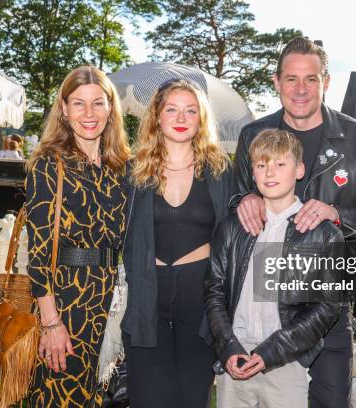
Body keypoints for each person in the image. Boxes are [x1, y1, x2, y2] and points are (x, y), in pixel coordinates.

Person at [233, 36, 356, 407]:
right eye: (291, 79)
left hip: (328, 305)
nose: (301, 89)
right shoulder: (251, 136)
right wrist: (242, 198)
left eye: (311, 79)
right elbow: (235, 205)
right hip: (263, 300)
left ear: (326, 82)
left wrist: (336, 213)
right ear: (276, 83)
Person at [206, 128, 344, 408]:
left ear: (299, 169)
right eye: (261, 165)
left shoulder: (324, 234)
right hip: (236, 356)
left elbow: (327, 306)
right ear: (252, 173)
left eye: (280, 164)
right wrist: (227, 346)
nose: (270, 172)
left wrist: (272, 351)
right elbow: (214, 291)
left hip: (286, 361)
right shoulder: (232, 228)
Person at [122, 78, 236, 408]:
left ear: (201, 119)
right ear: (157, 116)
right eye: (172, 109)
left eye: (190, 111)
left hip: (201, 301)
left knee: (191, 399)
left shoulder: (220, 170)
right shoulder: (134, 172)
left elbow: (239, 232)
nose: (181, 118)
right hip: (147, 299)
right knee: (148, 399)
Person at [24, 65, 131, 407]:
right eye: (79, 104)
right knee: (61, 396)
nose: (89, 113)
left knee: (103, 398)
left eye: (98, 103)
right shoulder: (48, 164)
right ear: (64, 109)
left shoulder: (122, 167)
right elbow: (38, 254)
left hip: (113, 303)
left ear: (110, 108)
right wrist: (50, 322)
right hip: (67, 303)